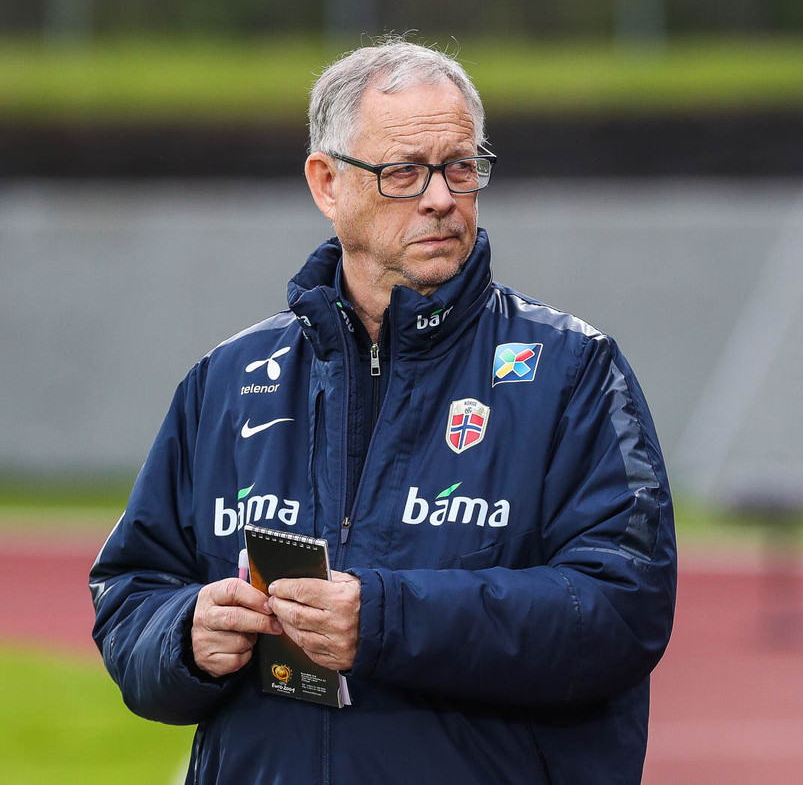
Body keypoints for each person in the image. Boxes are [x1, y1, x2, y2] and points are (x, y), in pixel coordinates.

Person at [90, 39, 676, 785]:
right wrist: (184, 636)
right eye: (403, 172)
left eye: (459, 166)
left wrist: (385, 619)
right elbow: (131, 594)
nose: (440, 198)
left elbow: (623, 609)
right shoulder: (227, 380)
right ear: (327, 182)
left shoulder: (573, 372)